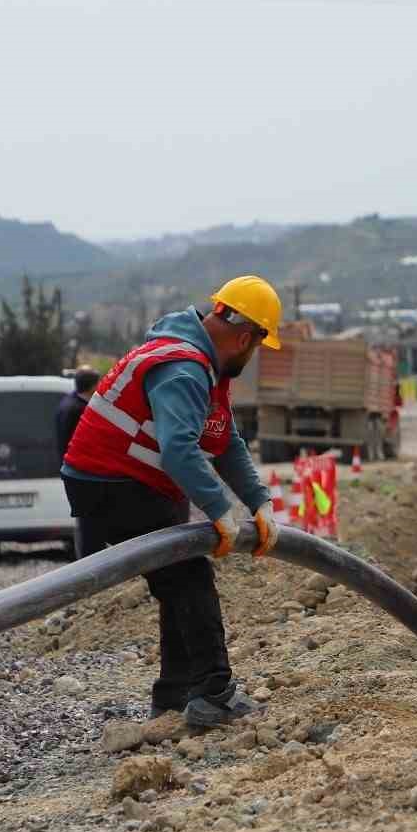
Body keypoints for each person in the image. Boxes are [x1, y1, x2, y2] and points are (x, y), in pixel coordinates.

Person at [61, 276, 282, 728]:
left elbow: (225, 441)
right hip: (113, 482)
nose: (253, 356)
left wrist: (258, 502)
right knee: (189, 576)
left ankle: (177, 694)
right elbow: (179, 449)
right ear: (245, 338)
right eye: (258, 346)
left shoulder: (203, 363)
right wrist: (222, 512)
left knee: (178, 580)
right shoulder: (184, 367)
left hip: (136, 481)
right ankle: (214, 694)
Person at [54, 365, 101, 469]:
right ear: (93, 386)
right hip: (78, 467)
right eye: (98, 383)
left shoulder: (68, 402)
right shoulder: (79, 410)